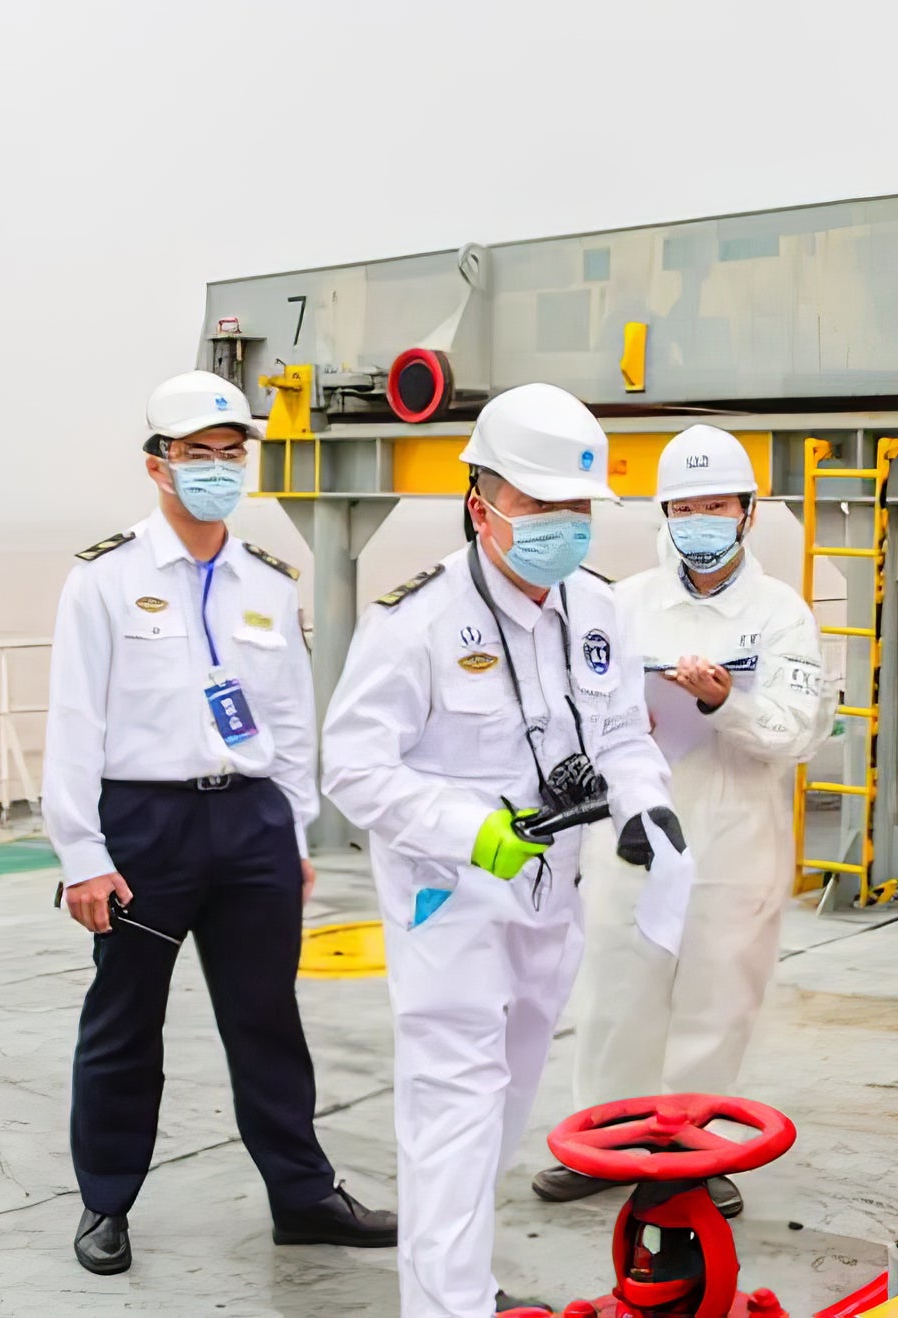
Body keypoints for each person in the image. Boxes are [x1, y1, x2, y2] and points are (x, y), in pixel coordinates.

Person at [321, 382, 685, 1318]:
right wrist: (467, 830)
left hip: (551, 903)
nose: (564, 525)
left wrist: (645, 805)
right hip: (452, 905)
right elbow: (353, 768)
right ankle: (448, 1306)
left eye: (578, 507)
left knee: (502, 1109)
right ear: (482, 506)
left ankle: (461, 1284)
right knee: (454, 1112)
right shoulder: (416, 620)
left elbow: (621, 734)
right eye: (541, 504)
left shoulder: (598, 610)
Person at [44, 370, 396, 1276]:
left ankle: (303, 1197)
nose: (216, 468)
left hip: (250, 825)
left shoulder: (266, 582)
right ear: (157, 464)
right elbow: (74, 724)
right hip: (144, 824)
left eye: (231, 453)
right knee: (125, 1020)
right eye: (197, 453)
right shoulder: (104, 580)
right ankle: (106, 1200)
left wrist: (293, 833)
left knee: (267, 1018)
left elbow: (287, 720)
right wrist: (81, 854)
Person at [532, 425, 833, 1219]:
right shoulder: (621, 604)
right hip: (634, 832)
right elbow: (575, 707)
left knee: (715, 997)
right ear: (664, 514)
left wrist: (723, 701)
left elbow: (798, 732)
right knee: (616, 993)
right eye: (685, 508)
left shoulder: (780, 613)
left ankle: (691, 1154)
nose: (700, 522)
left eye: (716, 506)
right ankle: (608, 1140)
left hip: (736, 834)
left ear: (748, 513)